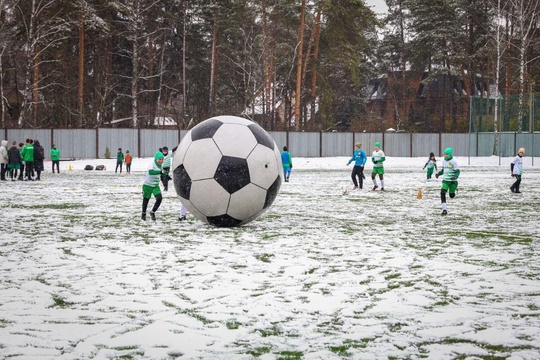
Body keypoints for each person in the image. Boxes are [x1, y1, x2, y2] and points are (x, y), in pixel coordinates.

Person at [435, 147, 460, 215]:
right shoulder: (444, 161)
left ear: (450, 155)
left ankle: (454, 189)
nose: (445, 155)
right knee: (442, 193)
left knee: (451, 195)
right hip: (445, 181)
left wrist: (455, 177)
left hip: (452, 182)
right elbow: (443, 170)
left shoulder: (453, 162)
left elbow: (457, 171)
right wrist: (438, 174)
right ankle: (444, 209)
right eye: (444, 154)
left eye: (447, 154)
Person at [141, 151, 165, 221]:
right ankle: (143, 213)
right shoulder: (152, 164)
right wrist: (159, 172)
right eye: (159, 159)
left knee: (159, 198)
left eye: (162, 159)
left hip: (155, 185)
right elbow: (151, 172)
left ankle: (152, 212)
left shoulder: (161, 165)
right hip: (147, 185)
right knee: (146, 200)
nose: (161, 161)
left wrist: (166, 176)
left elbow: (161, 174)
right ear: (156, 159)